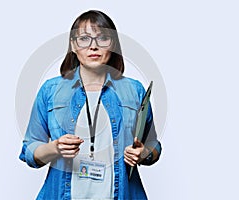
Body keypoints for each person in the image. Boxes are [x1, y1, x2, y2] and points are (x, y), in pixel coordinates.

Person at [19, 10, 162, 200]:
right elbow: (29, 148)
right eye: (84, 39)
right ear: (73, 45)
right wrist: (54, 148)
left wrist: (144, 153)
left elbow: (153, 145)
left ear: (113, 45)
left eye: (102, 38)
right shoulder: (50, 90)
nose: (93, 47)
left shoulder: (134, 91)